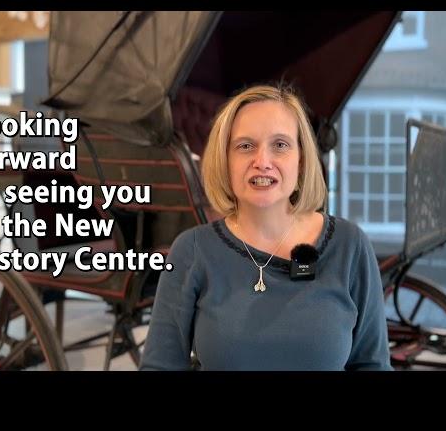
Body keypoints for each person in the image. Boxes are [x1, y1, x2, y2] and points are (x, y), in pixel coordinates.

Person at [139, 84, 392, 370]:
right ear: (225, 162)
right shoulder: (192, 251)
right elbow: (159, 366)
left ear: (302, 162)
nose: (262, 162)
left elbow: (372, 364)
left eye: (280, 145)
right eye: (245, 146)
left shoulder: (349, 245)